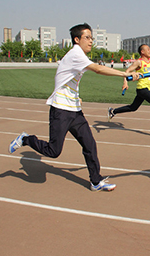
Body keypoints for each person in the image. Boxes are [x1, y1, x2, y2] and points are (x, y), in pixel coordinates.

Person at [8, 23, 140, 191]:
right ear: (77, 39)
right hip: (61, 111)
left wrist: (76, 97)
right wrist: (125, 74)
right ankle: (26, 139)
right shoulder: (76, 54)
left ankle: (96, 181)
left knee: (89, 145)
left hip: (75, 111)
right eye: (87, 37)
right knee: (53, 151)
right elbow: (98, 69)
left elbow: (66, 79)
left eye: (92, 38)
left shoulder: (79, 56)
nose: (91, 41)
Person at [108, 44, 150, 132]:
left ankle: (113, 111)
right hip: (142, 88)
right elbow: (127, 71)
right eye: (148, 49)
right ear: (142, 52)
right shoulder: (138, 62)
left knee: (133, 107)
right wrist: (125, 83)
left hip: (147, 88)